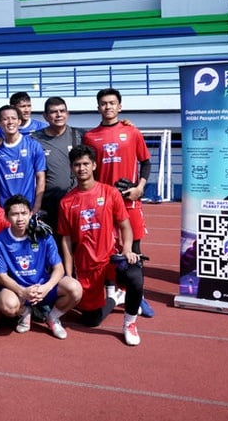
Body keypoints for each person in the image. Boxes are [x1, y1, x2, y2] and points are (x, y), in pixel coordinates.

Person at [58, 145, 144, 346]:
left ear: (94, 165)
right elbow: (66, 240)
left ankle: (130, 323)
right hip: (87, 265)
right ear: (72, 168)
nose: (82, 169)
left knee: (135, 276)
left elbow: (125, 225)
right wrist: (70, 275)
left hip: (111, 259)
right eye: (77, 165)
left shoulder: (110, 193)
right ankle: (115, 298)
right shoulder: (67, 202)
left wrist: (127, 250)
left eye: (86, 164)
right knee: (90, 320)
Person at [82, 88, 154, 317]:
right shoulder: (90, 136)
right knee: (105, 251)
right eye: (103, 103)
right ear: (98, 107)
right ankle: (111, 292)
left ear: (119, 106)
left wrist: (140, 188)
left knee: (134, 248)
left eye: (112, 103)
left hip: (130, 202)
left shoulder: (132, 132)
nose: (108, 107)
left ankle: (138, 296)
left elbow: (146, 163)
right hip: (102, 204)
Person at [0, 194, 81, 340]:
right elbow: (1, 276)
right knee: (6, 304)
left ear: (30, 214)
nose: (20, 218)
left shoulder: (43, 235)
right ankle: (24, 312)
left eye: (23, 213)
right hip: (18, 289)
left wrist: (46, 288)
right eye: (14, 214)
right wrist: (22, 291)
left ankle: (52, 318)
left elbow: (59, 268)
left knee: (75, 289)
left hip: (42, 287)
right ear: (7, 217)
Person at [31, 97, 85, 230]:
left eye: (62, 111)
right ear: (45, 116)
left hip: (77, 203)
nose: (59, 115)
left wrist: (124, 124)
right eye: (54, 112)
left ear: (68, 113)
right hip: (49, 205)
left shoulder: (80, 136)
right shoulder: (34, 140)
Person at [0, 104, 46, 211]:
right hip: (5, 209)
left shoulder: (33, 146)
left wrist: (36, 207)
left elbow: (40, 178)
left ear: (19, 121)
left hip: (28, 207)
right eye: (5, 119)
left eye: (13, 118)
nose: (10, 122)